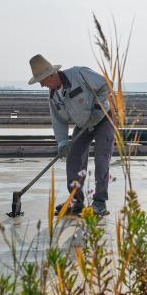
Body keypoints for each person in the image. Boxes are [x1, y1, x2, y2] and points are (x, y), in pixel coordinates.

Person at [28, 54, 114, 216]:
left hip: (103, 119)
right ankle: (76, 201)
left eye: (42, 81)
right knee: (73, 159)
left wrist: (98, 107)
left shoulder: (79, 74)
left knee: (101, 159)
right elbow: (58, 121)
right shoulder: (54, 96)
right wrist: (61, 143)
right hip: (83, 125)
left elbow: (106, 85)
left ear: (51, 75)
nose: (41, 85)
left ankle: (100, 202)